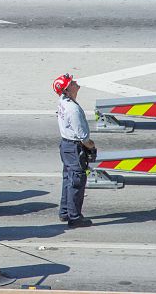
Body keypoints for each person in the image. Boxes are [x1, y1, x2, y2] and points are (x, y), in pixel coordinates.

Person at [53, 74, 95, 228]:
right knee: (76, 182)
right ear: (67, 90)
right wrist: (92, 146)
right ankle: (74, 217)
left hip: (66, 146)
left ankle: (65, 212)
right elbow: (84, 138)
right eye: (72, 83)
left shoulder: (63, 102)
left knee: (68, 179)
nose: (76, 83)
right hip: (74, 147)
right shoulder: (73, 110)